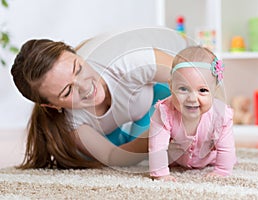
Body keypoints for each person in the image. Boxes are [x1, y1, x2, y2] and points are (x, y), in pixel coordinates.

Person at [10, 27, 187, 169]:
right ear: (51, 105)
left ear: (77, 54)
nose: (85, 87)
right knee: (92, 157)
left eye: (78, 69)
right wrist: (151, 140)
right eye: (67, 91)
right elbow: (112, 156)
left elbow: (196, 78)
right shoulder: (70, 123)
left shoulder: (129, 60)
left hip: (151, 99)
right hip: (112, 134)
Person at [148, 46, 236, 181]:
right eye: (183, 89)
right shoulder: (164, 112)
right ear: (171, 86)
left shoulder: (220, 116)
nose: (192, 98)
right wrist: (161, 173)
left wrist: (222, 171)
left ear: (214, 90)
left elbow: (226, 148)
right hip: (176, 159)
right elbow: (157, 146)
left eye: (203, 90)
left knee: (226, 156)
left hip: (208, 159)